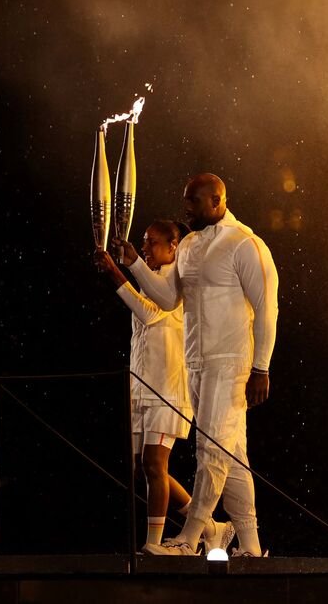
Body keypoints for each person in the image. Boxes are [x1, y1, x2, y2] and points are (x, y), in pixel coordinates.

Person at [110, 173, 279, 557]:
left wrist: (262, 367)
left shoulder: (245, 244)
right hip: (196, 364)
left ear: (217, 200)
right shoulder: (188, 246)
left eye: (193, 201)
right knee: (232, 456)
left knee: (211, 449)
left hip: (231, 362)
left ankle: (189, 538)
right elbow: (168, 299)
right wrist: (135, 264)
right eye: (185, 199)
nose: (185, 208)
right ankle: (251, 546)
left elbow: (267, 308)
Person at [95, 219, 235, 554]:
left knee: (155, 466)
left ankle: (153, 545)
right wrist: (125, 267)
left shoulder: (178, 283)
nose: (145, 248)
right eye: (143, 242)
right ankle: (212, 527)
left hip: (167, 390)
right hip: (141, 386)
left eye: (152, 242)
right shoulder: (149, 279)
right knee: (140, 468)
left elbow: (149, 314)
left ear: (175, 247)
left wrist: (117, 271)